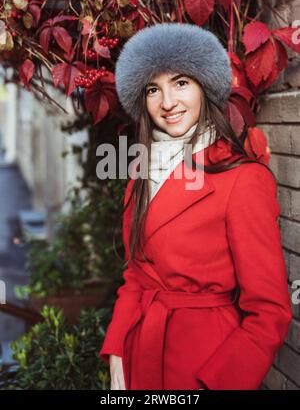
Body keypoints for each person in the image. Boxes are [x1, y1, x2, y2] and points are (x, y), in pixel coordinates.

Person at [98, 23, 293, 390]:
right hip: (140, 354)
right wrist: (116, 354)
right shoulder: (141, 174)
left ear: (205, 86)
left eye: (181, 83)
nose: (167, 102)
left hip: (204, 365)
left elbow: (270, 312)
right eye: (154, 89)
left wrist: (217, 382)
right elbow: (136, 276)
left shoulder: (243, 179)